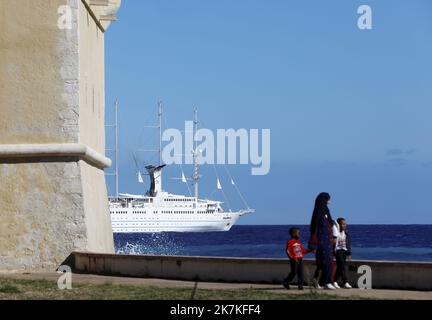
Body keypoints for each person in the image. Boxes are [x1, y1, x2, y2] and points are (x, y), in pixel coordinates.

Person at [308, 192, 337, 290]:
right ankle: (326, 282)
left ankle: (317, 282)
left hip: (327, 243)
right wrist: (313, 245)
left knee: (325, 262)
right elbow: (314, 229)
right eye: (328, 199)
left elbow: (331, 225)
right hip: (321, 242)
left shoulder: (326, 213)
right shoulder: (318, 214)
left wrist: (333, 238)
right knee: (325, 262)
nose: (329, 202)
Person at [333, 217, 353, 289]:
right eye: (343, 224)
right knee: (342, 266)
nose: (344, 225)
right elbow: (332, 244)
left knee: (340, 267)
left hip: (344, 251)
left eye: (345, 224)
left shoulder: (346, 235)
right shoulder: (335, 234)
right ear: (339, 225)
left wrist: (349, 253)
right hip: (338, 251)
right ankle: (345, 282)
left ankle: (334, 281)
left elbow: (348, 245)